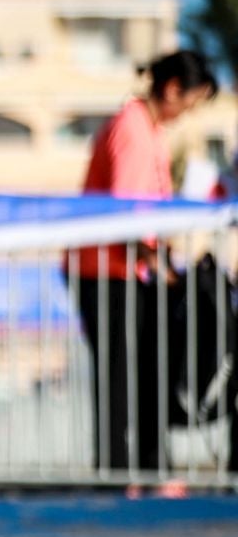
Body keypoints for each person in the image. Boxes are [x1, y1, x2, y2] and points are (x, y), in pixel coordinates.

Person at [70, 48, 220, 486]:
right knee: (120, 377)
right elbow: (128, 215)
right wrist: (160, 264)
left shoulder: (148, 129)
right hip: (107, 271)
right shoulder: (133, 129)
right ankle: (120, 476)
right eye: (190, 101)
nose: (188, 111)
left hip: (124, 270)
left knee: (139, 373)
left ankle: (144, 471)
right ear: (173, 89)